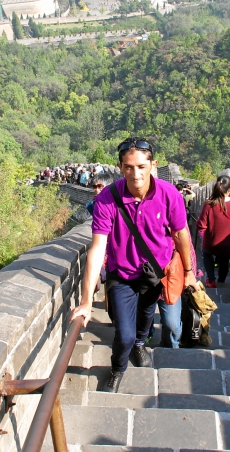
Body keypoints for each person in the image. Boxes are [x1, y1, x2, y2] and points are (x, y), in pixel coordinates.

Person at [71, 138, 197, 393]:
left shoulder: (169, 195)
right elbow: (97, 248)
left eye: (141, 166)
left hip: (154, 274)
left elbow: (182, 234)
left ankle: (140, 346)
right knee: (124, 333)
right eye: (128, 167)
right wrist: (86, 302)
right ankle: (118, 368)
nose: (135, 174)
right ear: (120, 167)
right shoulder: (108, 198)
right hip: (122, 276)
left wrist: (189, 272)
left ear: (153, 164)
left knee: (145, 319)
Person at [196, 175, 230, 288]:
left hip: (211, 244)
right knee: (224, 260)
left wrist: (204, 236)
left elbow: (201, 225)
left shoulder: (209, 204)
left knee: (206, 254)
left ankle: (211, 280)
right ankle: (221, 280)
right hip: (228, 244)